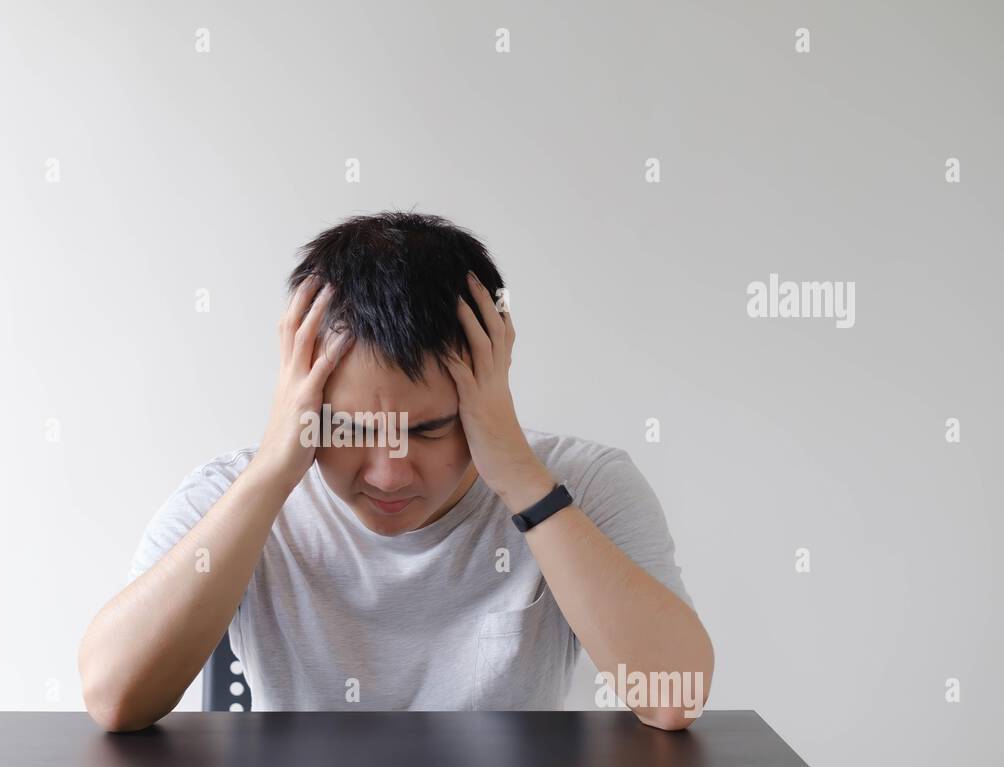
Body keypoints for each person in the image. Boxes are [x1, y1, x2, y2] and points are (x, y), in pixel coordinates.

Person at [79, 211, 713, 731]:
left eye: (429, 429)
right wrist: (274, 469)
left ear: (487, 391)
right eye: (351, 430)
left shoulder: (584, 484)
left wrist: (522, 480)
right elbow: (112, 698)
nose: (388, 475)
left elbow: (673, 697)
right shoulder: (231, 491)